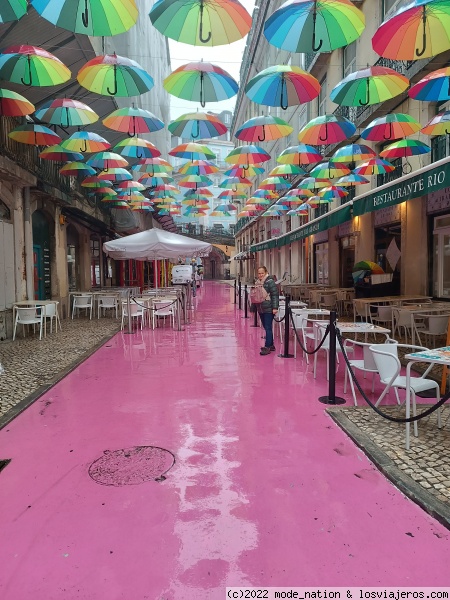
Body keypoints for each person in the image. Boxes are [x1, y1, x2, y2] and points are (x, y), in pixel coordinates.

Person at [256, 266, 280, 355]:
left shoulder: (270, 282)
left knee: (268, 327)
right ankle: (271, 345)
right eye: (259, 273)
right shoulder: (258, 282)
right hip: (261, 308)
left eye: (262, 273)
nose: (260, 275)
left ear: (266, 272)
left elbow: (275, 295)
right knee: (266, 327)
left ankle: (267, 347)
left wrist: (275, 307)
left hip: (269, 308)